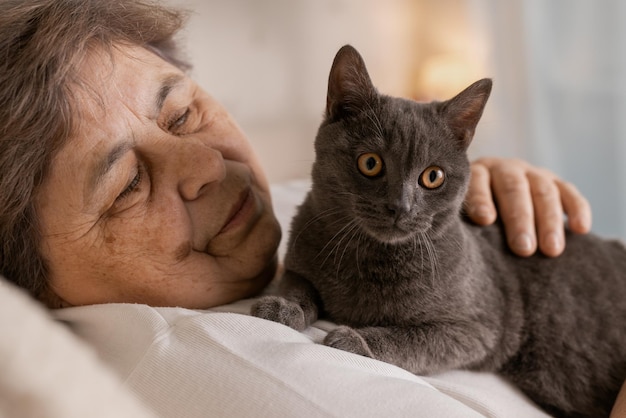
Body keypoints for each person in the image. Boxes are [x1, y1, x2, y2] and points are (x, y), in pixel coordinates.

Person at [1, 1, 617, 417]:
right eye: (129, 183)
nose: (208, 166)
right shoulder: (229, 368)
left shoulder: (276, 221)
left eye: (182, 114)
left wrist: (471, 187)